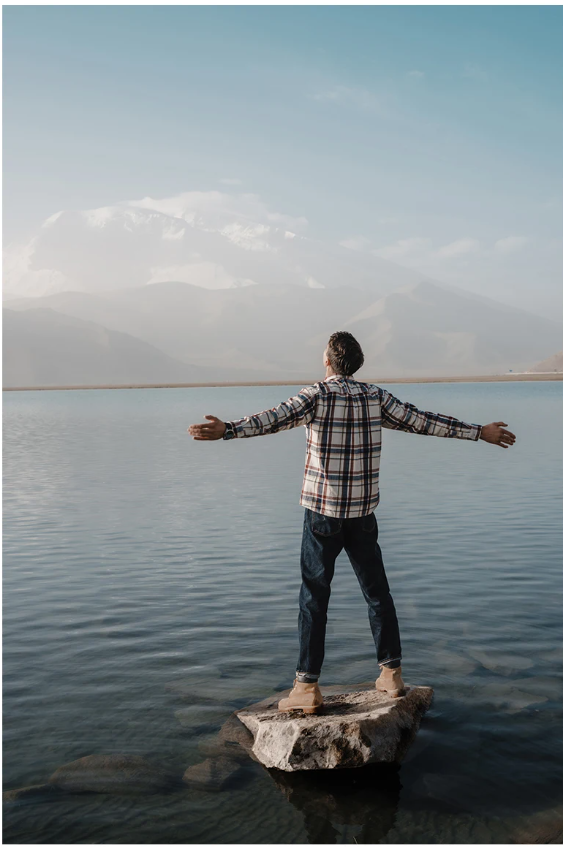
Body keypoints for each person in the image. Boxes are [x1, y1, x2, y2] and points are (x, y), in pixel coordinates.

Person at [187, 331, 516, 714]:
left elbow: (272, 420)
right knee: (378, 594)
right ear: (356, 364)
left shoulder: (315, 395)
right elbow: (424, 422)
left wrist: (229, 429)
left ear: (328, 361)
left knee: (314, 598)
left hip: (322, 514)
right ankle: (391, 676)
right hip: (362, 515)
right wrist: (479, 432)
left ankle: (306, 687)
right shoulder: (376, 397)